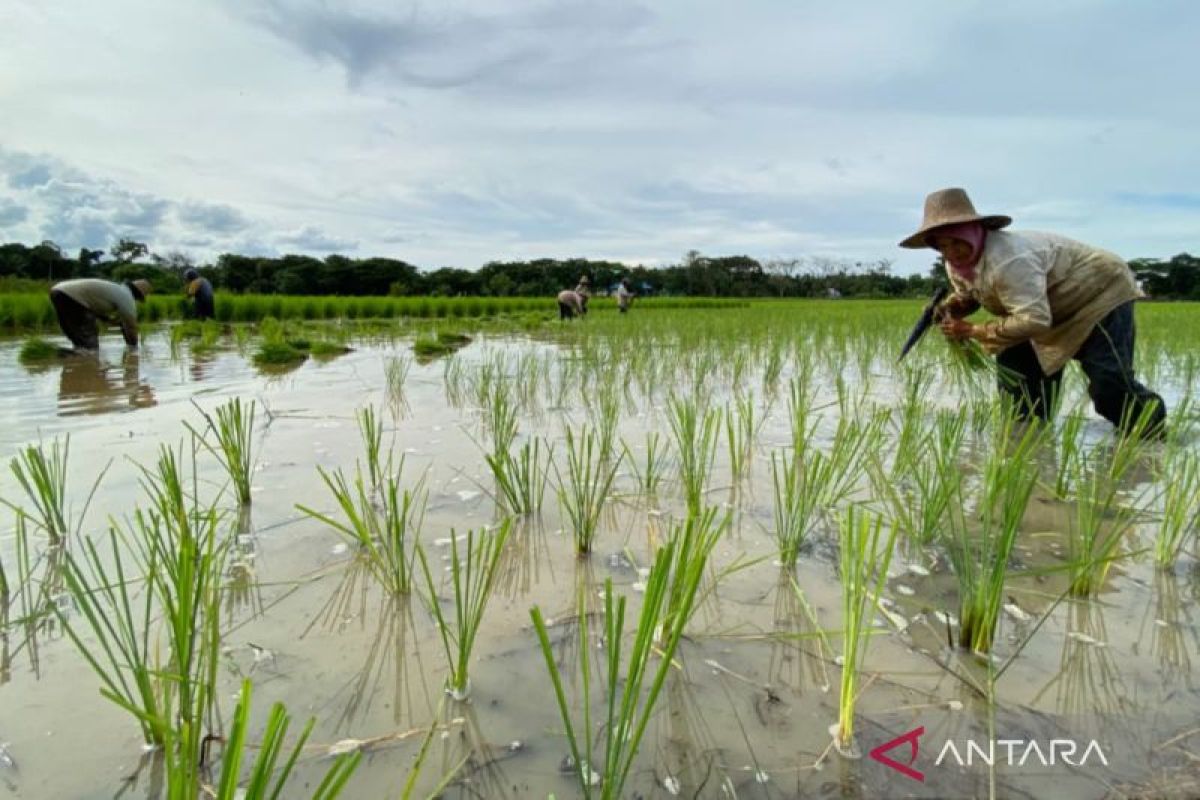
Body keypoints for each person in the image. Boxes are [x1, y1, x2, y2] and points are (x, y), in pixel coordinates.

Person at [900, 187, 1165, 436]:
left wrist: (972, 330)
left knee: (1109, 386)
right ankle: (1031, 452)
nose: (951, 252)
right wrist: (951, 307)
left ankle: (1152, 433)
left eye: (956, 242)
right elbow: (972, 294)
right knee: (1020, 395)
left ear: (973, 232)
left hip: (1096, 294)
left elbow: (1036, 319)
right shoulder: (956, 264)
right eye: (942, 246)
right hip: (1035, 307)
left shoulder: (1011, 260)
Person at [49, 278, 151, 351]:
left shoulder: (117, 290)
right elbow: (131, 326)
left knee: (80, 342)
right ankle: (64, 358)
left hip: (58, 292)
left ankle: (65, 359)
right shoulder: (127, 297)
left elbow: (91, 307)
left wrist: (107, 319)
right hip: (70, 297)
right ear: (137, 295)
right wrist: (134, 348)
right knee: (90, 347)